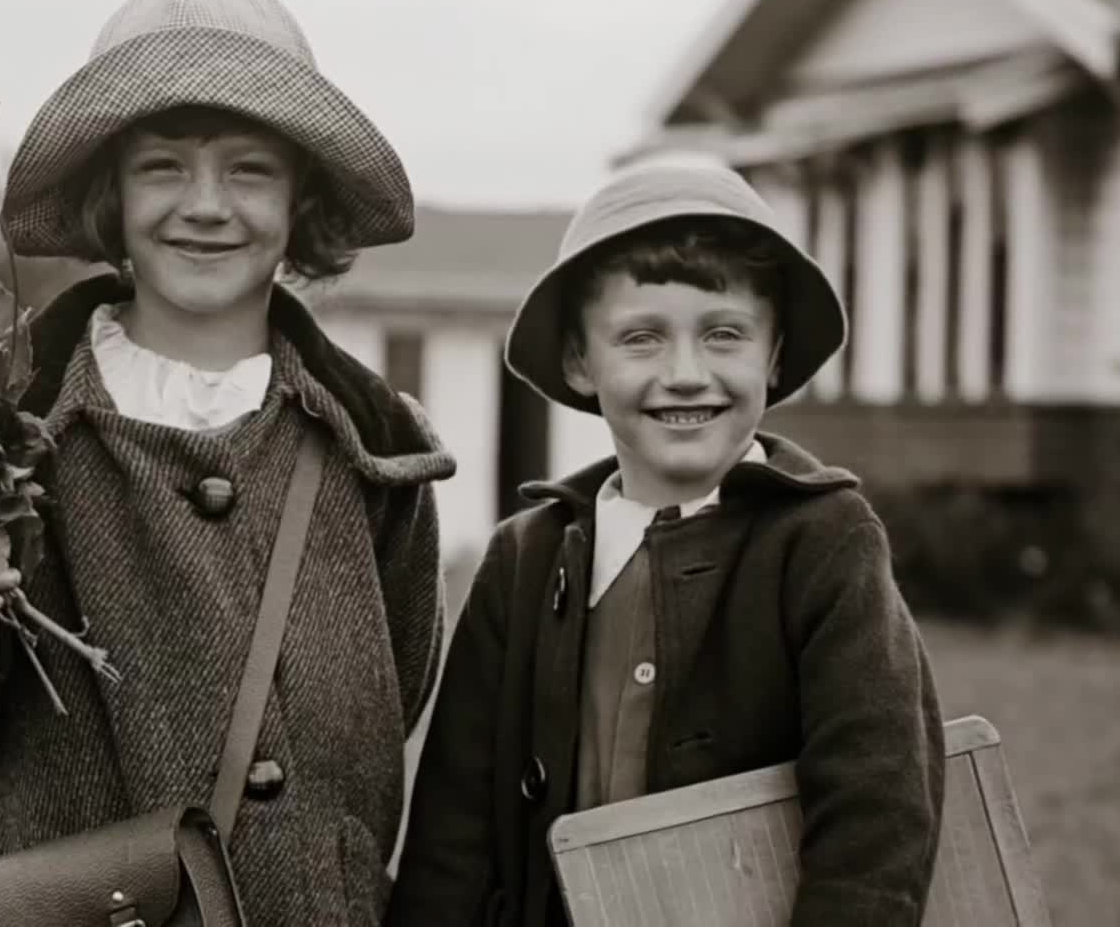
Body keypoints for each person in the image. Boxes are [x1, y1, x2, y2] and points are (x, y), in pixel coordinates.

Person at [0, 0, 455, 926]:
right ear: (110, 193)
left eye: (250, 169)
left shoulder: (379, 456)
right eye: (164, 167)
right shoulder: (6, 430)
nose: (207, 205)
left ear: (302, 199)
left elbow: (399, 698)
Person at [388, 163, 945, 926]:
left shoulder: (825, 542)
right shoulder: (523, 561)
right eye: (641, 339)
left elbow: (876, 818)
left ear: (774, 352)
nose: (686, 375)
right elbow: (450, 839)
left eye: (724, 334)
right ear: (582, 361)